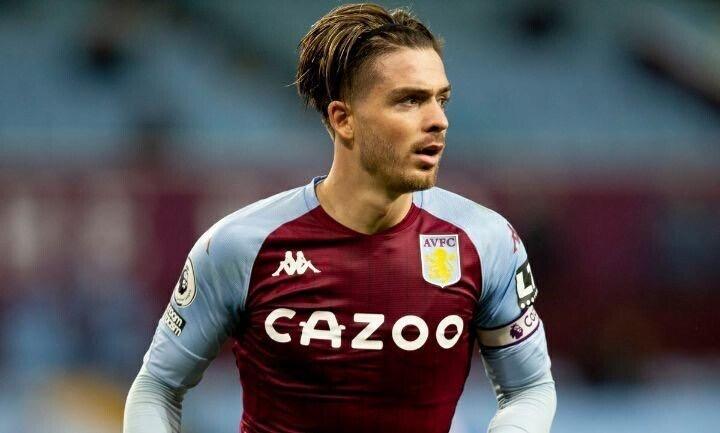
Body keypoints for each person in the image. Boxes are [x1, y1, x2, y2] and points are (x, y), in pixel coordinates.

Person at [123, 3, 556, 432]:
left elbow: (529, 387)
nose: (438, 121)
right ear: (343, 119)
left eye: (440, 99)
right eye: (409, 101)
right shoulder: (240, 245)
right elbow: (158, 386)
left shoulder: (486, 241)